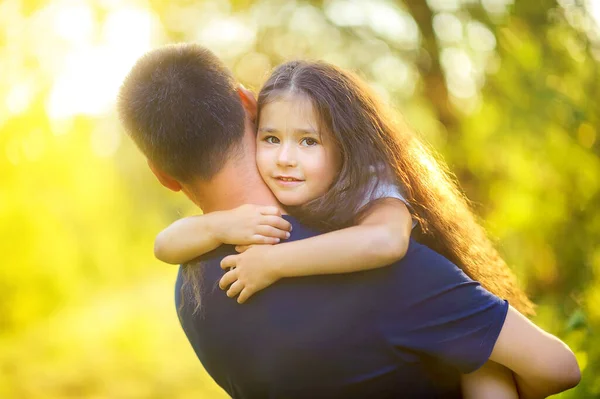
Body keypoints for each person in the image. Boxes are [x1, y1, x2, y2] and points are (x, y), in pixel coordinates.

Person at [117, 43, 580, 398]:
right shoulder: (374, 269)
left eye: (308, 142)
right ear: (248, 102)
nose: (288, 157)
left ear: (163, 177)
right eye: (276, 138)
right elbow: (555, 367)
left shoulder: (191, 295)